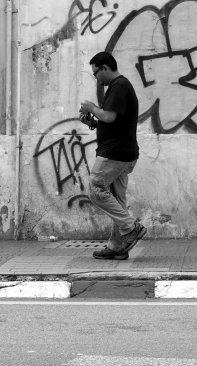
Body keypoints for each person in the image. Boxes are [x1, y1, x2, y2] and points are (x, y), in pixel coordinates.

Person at [79, 51, 146, 260]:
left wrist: (92, 107)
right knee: (118, 200)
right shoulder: (118, 87)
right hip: (123, 152)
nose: (96, 78)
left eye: (96, 73)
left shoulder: (119, 86)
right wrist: (92, 122)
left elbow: (108, 116)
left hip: (114, 153)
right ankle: (118, 245)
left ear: (105, 68)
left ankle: (130, 227)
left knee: (96, 188)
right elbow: (113, 121)